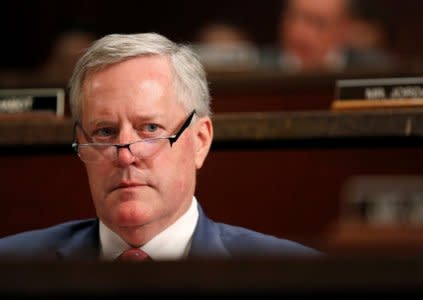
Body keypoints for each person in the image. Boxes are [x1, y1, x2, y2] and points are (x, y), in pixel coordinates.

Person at [0, 32, 320, 261]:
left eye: (150, 128)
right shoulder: (14, 266)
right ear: (82, 145)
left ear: (199, 141)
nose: (125, 154)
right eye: (106, 131)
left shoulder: (290, 271)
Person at [268, 0, 395, 73]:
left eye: (317, 22)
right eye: (293, 17)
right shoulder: (256, 68)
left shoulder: (376, 69)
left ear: (344, 28)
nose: (299, 31)